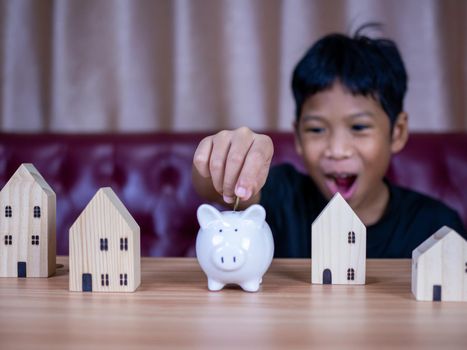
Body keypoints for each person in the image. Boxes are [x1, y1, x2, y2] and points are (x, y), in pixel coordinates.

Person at [192, 27, 467, 258]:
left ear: (397, 132)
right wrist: (225, 159)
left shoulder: (435, 225)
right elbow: (213, 189)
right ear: (297, 136)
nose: (337, 150)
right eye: (316, 129)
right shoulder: (284, 196)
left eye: (359, 127)